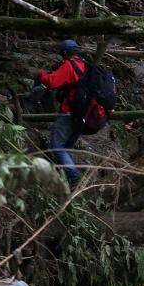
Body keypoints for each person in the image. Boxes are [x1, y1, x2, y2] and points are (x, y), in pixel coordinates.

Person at [34, 39, 87, 185]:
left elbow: (52, 82)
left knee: (57, 147)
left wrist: (41, 74)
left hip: (70, 112)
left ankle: (75, 177)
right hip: (83, 114)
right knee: (65, 147)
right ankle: (66, 177)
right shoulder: (85, 65)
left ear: (65, 53)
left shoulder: (70, 65)